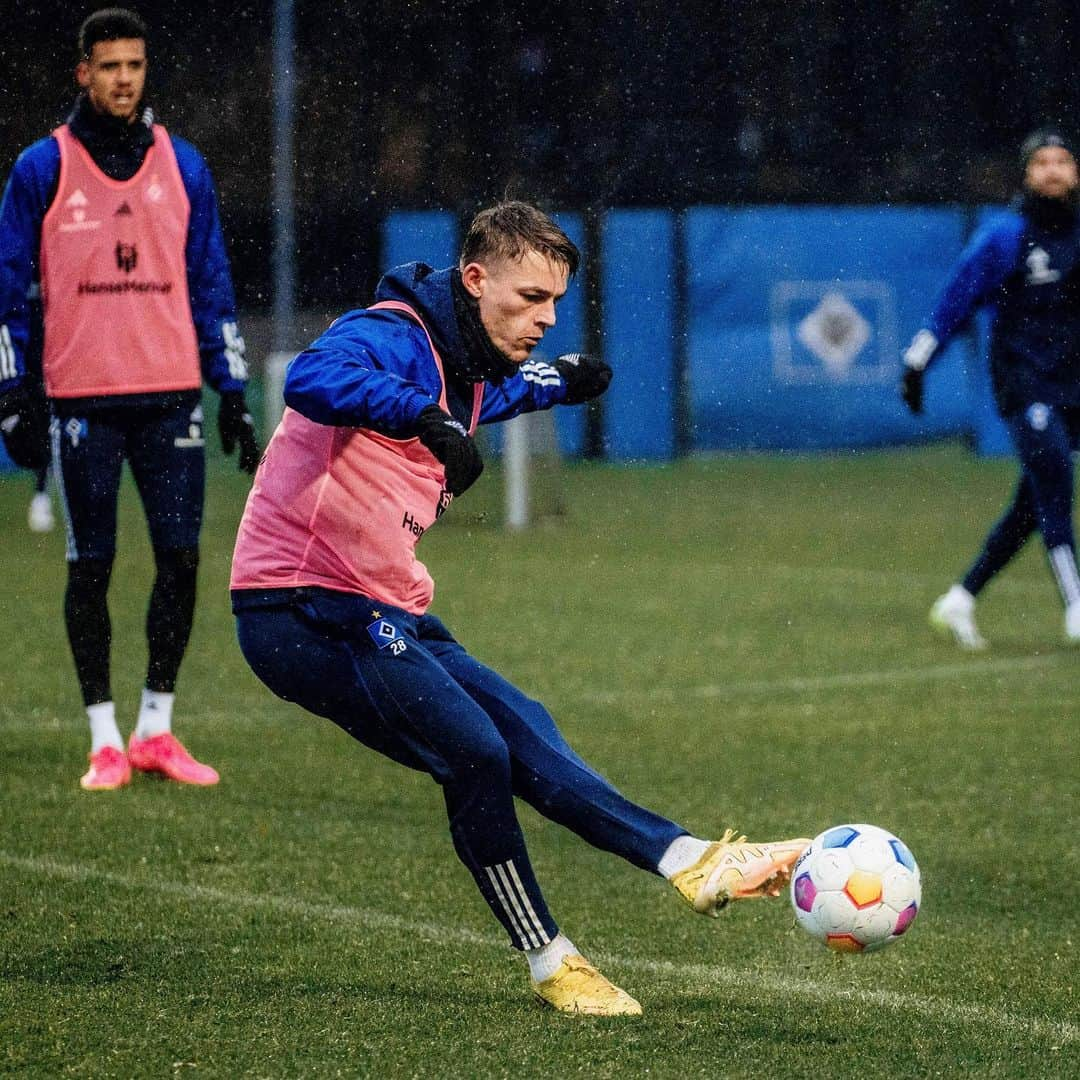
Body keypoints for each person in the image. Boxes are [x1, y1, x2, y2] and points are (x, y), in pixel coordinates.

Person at [230, 200, 809, 1016]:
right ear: (475, 279)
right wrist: (421, 416)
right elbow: (309, 380)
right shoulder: (390, 334)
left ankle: (687, 859)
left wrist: (562, 379)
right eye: (530, 298)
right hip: (298, 608)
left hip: (381, 604)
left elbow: (499, 397)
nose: (544, 316)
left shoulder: (472, 369)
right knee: (475, 751)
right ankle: (551, 961)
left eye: (555, 304)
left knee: (522, 724)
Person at [0, 8, 259, 790]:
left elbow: (211, 281)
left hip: (170, 394)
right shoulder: (42, 169)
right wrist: (14, 394)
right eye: (109, 66)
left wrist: (234, 391)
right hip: (83, 401)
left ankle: (156, 727)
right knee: (93, 566)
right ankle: (102, 736)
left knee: (181, 561)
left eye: (135, 66)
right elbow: (10, 293)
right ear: (83, 71)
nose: (123, 79)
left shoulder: (184, 166)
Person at [901, 127, 1080, 648]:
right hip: (1024, 382)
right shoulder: (1005, 237)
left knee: (1034, 501)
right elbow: (955, 301)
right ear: (1026, 174)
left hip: (1072, 385)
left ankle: (960, 600)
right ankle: (1074, 605)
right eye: (1040, 162)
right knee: (1055, 485)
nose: (1052, 170)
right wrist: (916, 364)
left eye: (1062, 161)